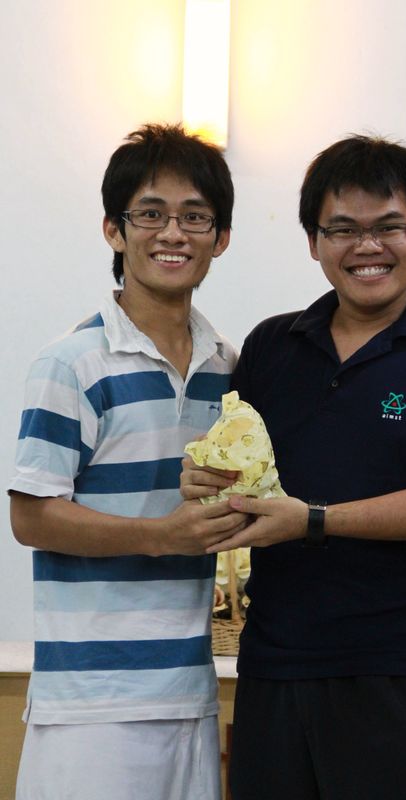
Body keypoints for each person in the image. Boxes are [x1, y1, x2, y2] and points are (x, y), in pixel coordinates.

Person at [180, 134, 406, 800]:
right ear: (314, 242)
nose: (367, 246)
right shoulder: (271, 345)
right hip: (276, 667)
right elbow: (244, 469)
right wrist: (204, 482)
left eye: (389, 226)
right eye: (342, 229)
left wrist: (315, 520)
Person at [8, 123, 247, 800]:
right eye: (151, 214)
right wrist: (160, 535)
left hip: (190, 692)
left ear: (221, 238)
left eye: (195, 216)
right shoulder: (72, 362)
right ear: (114, 230)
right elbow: (31, 516)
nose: (173, 233)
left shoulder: (227, 367)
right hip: (91, 703)